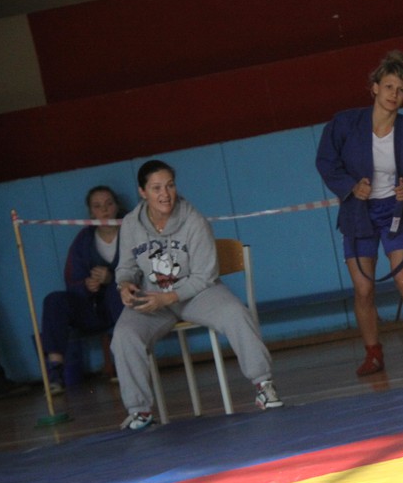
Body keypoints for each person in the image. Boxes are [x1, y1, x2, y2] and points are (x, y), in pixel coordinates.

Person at [111, 160, 282, 431]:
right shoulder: (132, 223)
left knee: (235, 313)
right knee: (124, 335)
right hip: (152, 297)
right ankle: (140, 411)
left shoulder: (193, 219)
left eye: (170, 186)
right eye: (156, 188)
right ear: (142, 192)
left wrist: (169, 297)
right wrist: (124, 285)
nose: (165, 194)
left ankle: (264, 385)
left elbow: (204, 275)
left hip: (197, 293)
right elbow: (126, 267)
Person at [316, 50, 403, 376]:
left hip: (395, 211)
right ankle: (373, 353)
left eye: (401, 90)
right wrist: (349, 186)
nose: (393, 95)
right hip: (358, 212)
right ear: (374, 87)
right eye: (388, 87)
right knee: (363, 288)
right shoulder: (345, 124)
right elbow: (326, 160)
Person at [40, 186, 125, 394]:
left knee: (116, 289)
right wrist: (86, 285)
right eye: (97, 206)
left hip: (125, 306)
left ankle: (124, 363)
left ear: (117, 206)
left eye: (109, 204)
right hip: (92, 310)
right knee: (54, 300)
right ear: (90, 212)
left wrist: (112, 278)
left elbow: (145, 271)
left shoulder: (131, 232)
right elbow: (72, 281)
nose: (104, 210)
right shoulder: (83, 240)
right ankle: (56, 371)